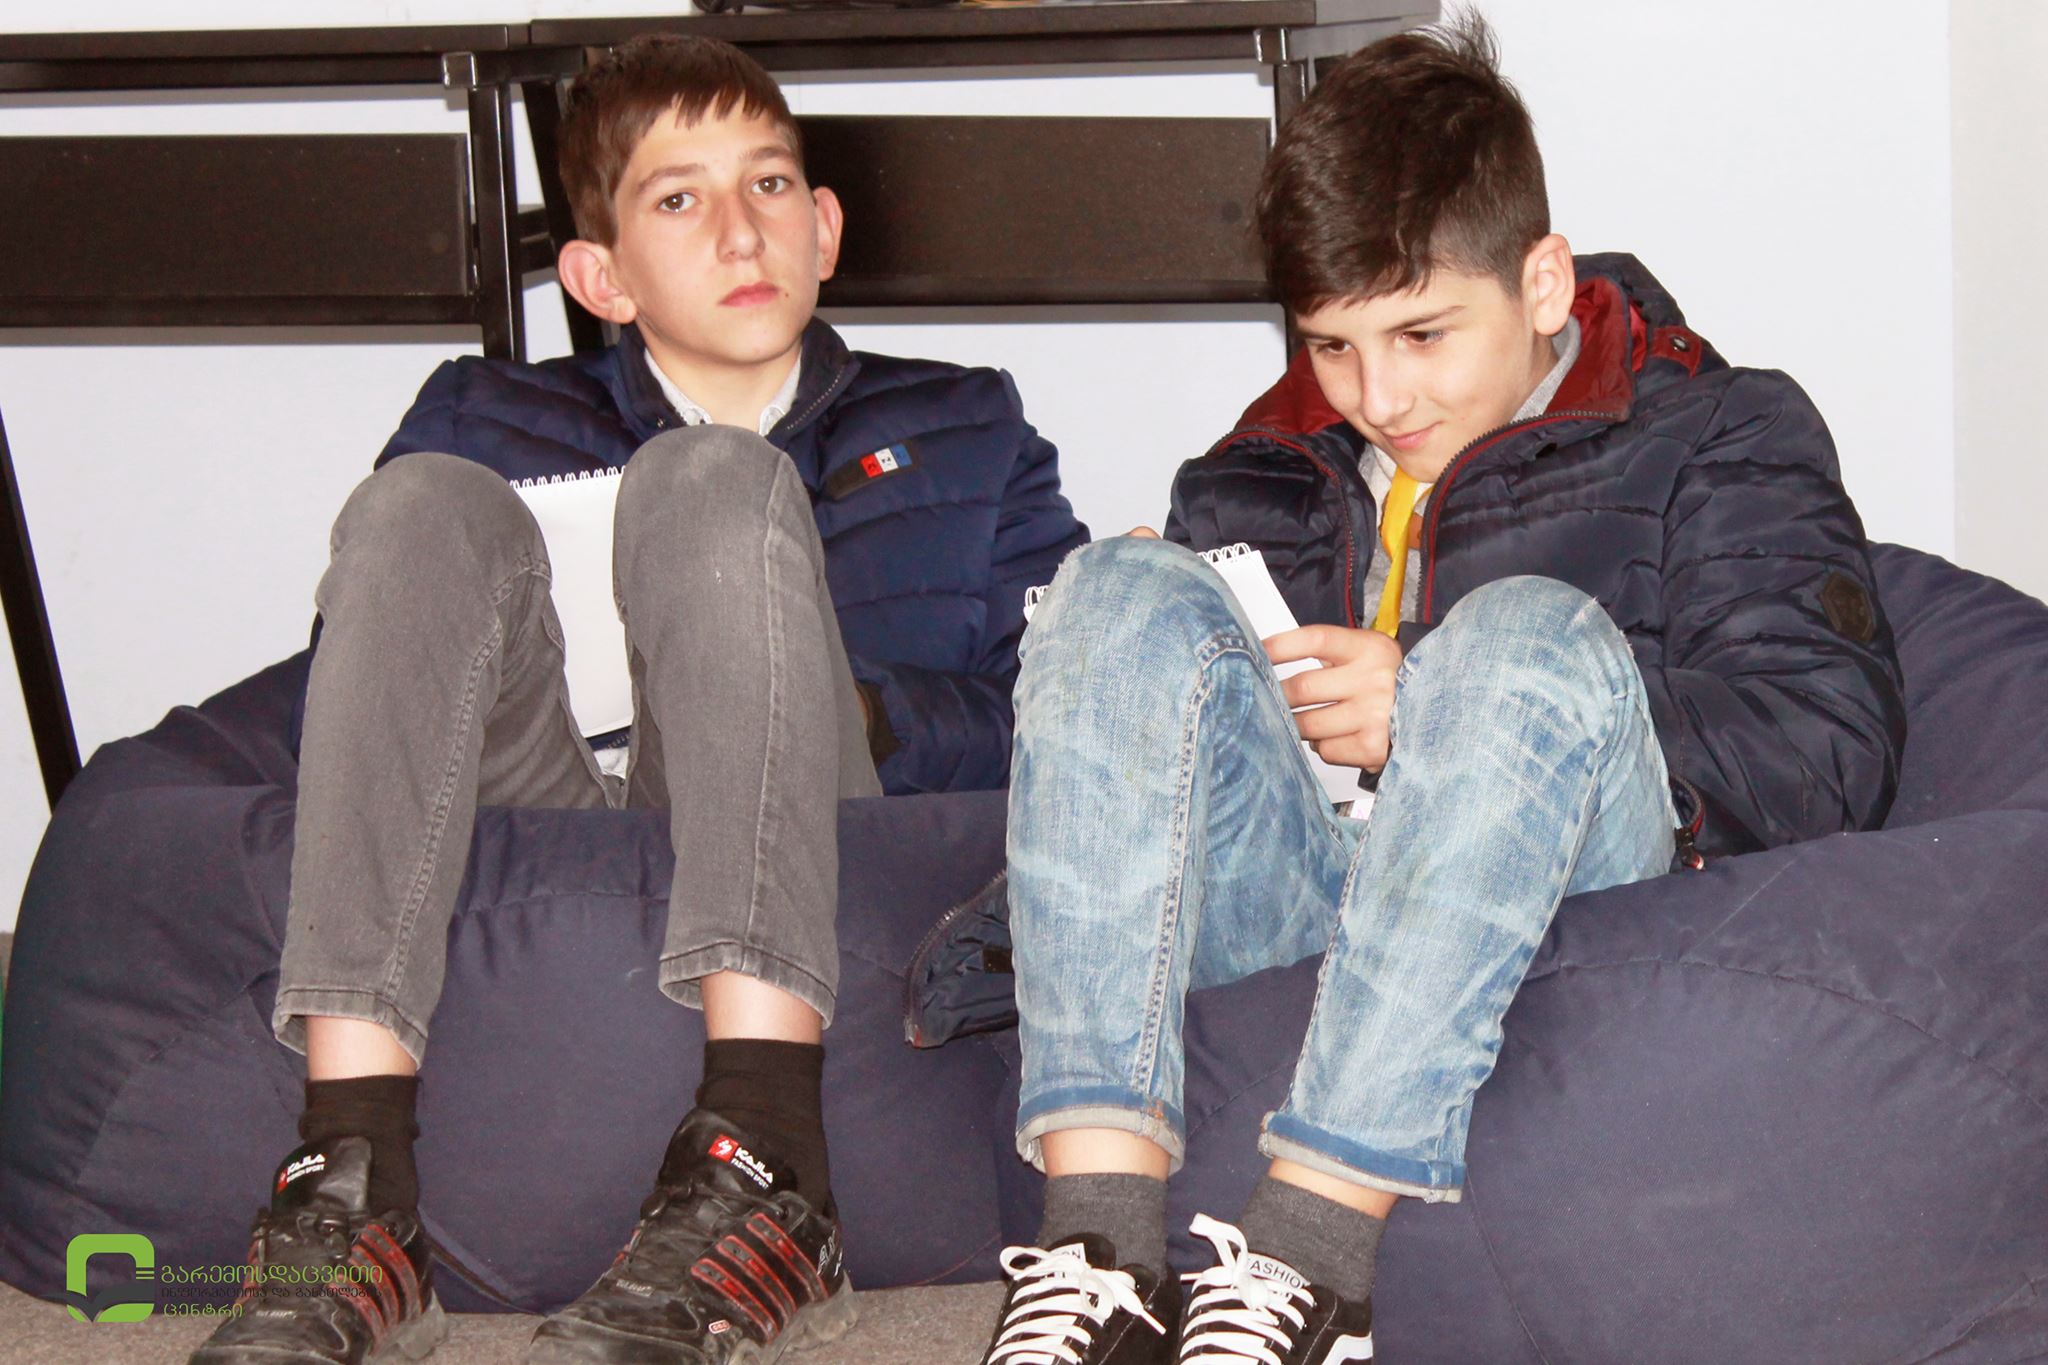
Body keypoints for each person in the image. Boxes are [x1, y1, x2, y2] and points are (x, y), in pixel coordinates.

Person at [975, 15, 1905, 1365]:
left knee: (1515, 636)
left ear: (1542, 282)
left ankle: (1309, 1263)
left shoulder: (1721, 427)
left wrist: (1429, 703)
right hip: (1299, 902)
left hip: (1578, 893)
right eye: (1332, 347)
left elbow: (1829, 741)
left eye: (1422, 334)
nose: (1379, 395)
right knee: (1111, 586)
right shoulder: (1252, 473)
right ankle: (1099, 1256)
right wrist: (1131, 656)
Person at [190, 33, 1085, 1365]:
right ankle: (348, 1187)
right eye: (680, 198)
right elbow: (363, 681)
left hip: (817, 814)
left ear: (826, 227)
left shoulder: (971, 425)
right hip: (548, 793)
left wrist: (867, 710)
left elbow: (1061, 717)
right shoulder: (481, 413)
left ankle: (766, 1166)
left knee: (711, 480)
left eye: (769, 185)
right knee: (416, 505)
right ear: (600, 277)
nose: (740, 232)